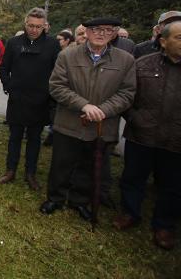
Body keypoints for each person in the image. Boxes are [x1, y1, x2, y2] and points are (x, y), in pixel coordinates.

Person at [40, 17, 136, 222]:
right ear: (87, 31)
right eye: (96, 29)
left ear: (114, 33)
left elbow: (127, 93)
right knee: (61, 163)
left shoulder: (125, 60)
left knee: (89, 166)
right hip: (69, 122)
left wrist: (103, 110)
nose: (101, 33)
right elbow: (57, 86)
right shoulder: (67, 55)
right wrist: (83, 105)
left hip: (101, 124)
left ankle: (79, 201)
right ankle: (55, 198)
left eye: (107, 30)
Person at [113, 21, 181, 250]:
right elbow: (124, 97)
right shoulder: (141, 65)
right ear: (163, 41)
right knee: (133, 177)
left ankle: (164, 225)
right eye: (179, 38)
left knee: (172, 184)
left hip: (175, 141)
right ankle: (130, 213)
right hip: (141, 136)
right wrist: (134, 118)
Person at [0, 8, 60, 191]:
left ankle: (30, 173)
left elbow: (57, 72)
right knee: (15, 137)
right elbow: (3, 68)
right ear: (25, 24)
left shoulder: (52, 45)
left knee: (34, 139)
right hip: (17, 98)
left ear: (45, 26)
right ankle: (10, 170)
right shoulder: (14, 42)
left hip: (40, 100)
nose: (34, 30)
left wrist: (49, 93)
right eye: (31, 26)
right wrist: (8, 86)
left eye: (38, 27)